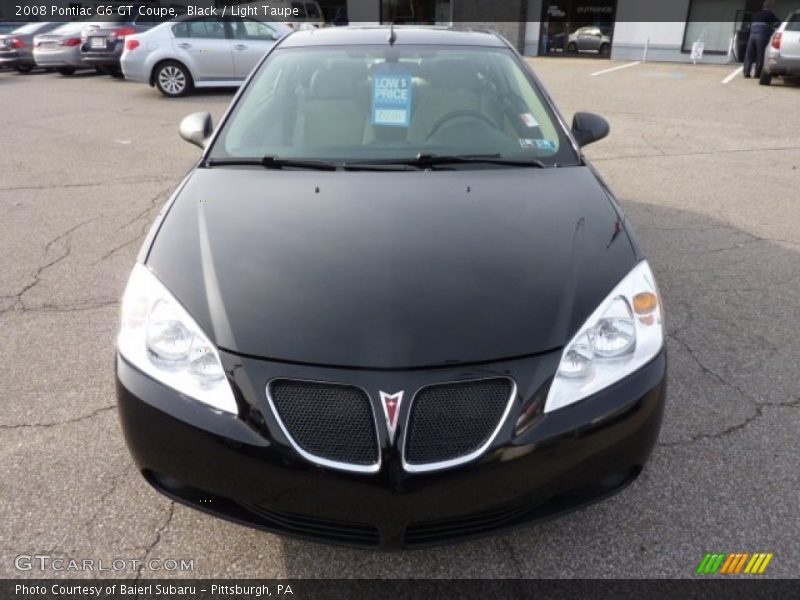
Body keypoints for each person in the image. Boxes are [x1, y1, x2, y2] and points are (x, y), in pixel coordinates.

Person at [743, 0, 779, 78]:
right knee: (761, 54)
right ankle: (757, 74)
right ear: (771, 7)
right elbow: (778, 23)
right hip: (762, 35)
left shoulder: (756, 14)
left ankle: (746, 72)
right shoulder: (770, 14)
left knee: (749, 54)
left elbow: (749, 26)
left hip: (752, 34)